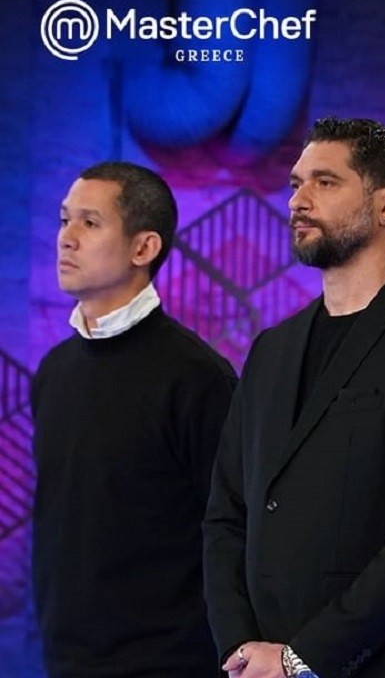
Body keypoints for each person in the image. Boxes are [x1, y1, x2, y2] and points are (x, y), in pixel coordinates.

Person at [203, 117, 385, 678]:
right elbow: (226, 515)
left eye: (325, 182)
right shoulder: (271, 350)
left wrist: (299, 660)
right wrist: (239, 646)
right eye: (296, 183)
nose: (298, 200)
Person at [32, 161, 236, 677]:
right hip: (65, 660)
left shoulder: (197, 377)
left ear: (144, 248)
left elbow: (234, 529)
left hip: (168, 662)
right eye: (64, 220)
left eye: (90, 223)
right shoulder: (55, 371)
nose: (67, 238)